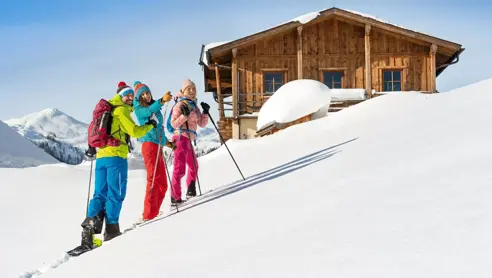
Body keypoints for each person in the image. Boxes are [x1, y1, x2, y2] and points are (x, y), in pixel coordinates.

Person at [81, 81, 157, 248]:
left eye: (132, 95)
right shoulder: (121, 110)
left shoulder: (108, 109)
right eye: (127, 95)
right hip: (116, 157)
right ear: (120, 96)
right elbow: (134, 131)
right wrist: (150, 125)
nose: (130, 98)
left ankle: (88, 234)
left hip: (101, 157)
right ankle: (112, 230)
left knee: (99, 194)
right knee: (116, 192)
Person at [132, 81, 174, 221]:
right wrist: (161, 101)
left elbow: (159, 131)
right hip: (149, 146)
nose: (146, 96)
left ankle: (154, 212)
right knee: (153, 180)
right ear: (138, 98)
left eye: (147, 93)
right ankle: (148, 215)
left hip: (158, 146)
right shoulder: (139, 110)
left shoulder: (154, 108)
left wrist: (168, 143)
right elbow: (147, 112)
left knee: (162, 183)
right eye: (142, 94)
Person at [169, 79, 210, 204]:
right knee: (179, 169)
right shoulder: (180, 105)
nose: (192, 91)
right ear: (183, 91)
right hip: (180, 138)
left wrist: (205, 113)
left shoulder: (194, 106)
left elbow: (202, 124)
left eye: (194, 89)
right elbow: (174, 123)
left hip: (189, 140)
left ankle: (191, 190)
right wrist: (184, 116)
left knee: (194, 165)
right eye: (189, 89)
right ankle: (175, 197)